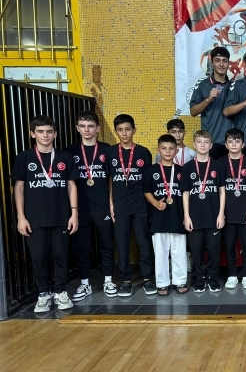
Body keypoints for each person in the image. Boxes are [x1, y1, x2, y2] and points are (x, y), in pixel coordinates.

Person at [12, 115, 79, 313]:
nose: (45, 135)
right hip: (34, 218)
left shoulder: (64, 157)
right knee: (39, 257)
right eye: (40, 131)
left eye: (49, 131)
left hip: (61, 216)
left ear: (55, 134)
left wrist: (74, 213)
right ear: (32, 134)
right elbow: (19, 188)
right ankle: (43, 294)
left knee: (60, 256)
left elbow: (71, 186)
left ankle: (60, 291)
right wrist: (21, 217)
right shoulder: (24, 158)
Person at [65, 111, 114, 301]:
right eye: (83, 126)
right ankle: (85, 284)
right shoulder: (70, 151)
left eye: (91, 126)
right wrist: (72, 210)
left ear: (98, 128)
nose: (87, 130)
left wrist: (111, 203)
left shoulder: (107, 150)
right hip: (80, 208)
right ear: (77, 128)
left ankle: (108, 280)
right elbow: (68, 183)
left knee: (107, 245)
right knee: (82, 248)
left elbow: (112, 179)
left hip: (102, 206)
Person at [106, 114, 154, 297]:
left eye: (127, 129)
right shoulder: (110, 153)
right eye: (120, 130)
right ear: (116, 131)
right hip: (120, 205)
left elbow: (148, 181)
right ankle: (126, 281)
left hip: (140, 204)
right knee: (122, 244)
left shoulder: (143, 152)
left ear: (134, 130)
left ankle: (148, 279)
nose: (124, 133)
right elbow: (111, 178)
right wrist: (111, 202)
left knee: (144, 242)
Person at [181, 130, 226, 293]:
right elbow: (185, 193)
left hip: (214, 215)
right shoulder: (187, 167)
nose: (202, 145)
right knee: (196, 249)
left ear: (211, 145)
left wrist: (221, 214)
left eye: (206, 142)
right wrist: (186, 216)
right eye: (199, 142)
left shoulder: (218, 166)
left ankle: (213, 277)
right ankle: (199, 277)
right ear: (194, 144)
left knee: (214, 248)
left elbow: (222, 191)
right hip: (195, 216)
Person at [143, 134, 187, 296]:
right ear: (158, 150)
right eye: (164, 148)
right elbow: (146, 191)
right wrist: (155, 203)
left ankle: (180, 280)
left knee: (179, 251)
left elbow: (187, 193)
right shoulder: (151, 170)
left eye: (171, 148)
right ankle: (162, 283)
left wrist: (186, 215)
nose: (167, 151)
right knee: (160, 253)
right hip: (158, 218)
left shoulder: (182, 170)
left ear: (176, 151)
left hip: (177, 216)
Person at [220, 128, 246, 290]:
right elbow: (219, 189)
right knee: (229, 246)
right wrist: (220, 213)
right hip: (227, 212)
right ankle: (232, 275)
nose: (234, 144)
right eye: (230, 141)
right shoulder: (220, 163)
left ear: (243, 144)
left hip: (245, 211)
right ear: (225, 145)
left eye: (237, 141)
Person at [190, 47, 233, 159]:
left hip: (231, 142)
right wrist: (208, 99)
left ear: (228, 63)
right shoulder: (203, 85)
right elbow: (193, 112)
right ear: (212, 63)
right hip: (210, 142)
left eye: (224, 61)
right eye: (217, 60)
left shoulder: (234, 86)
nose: (221, 64)